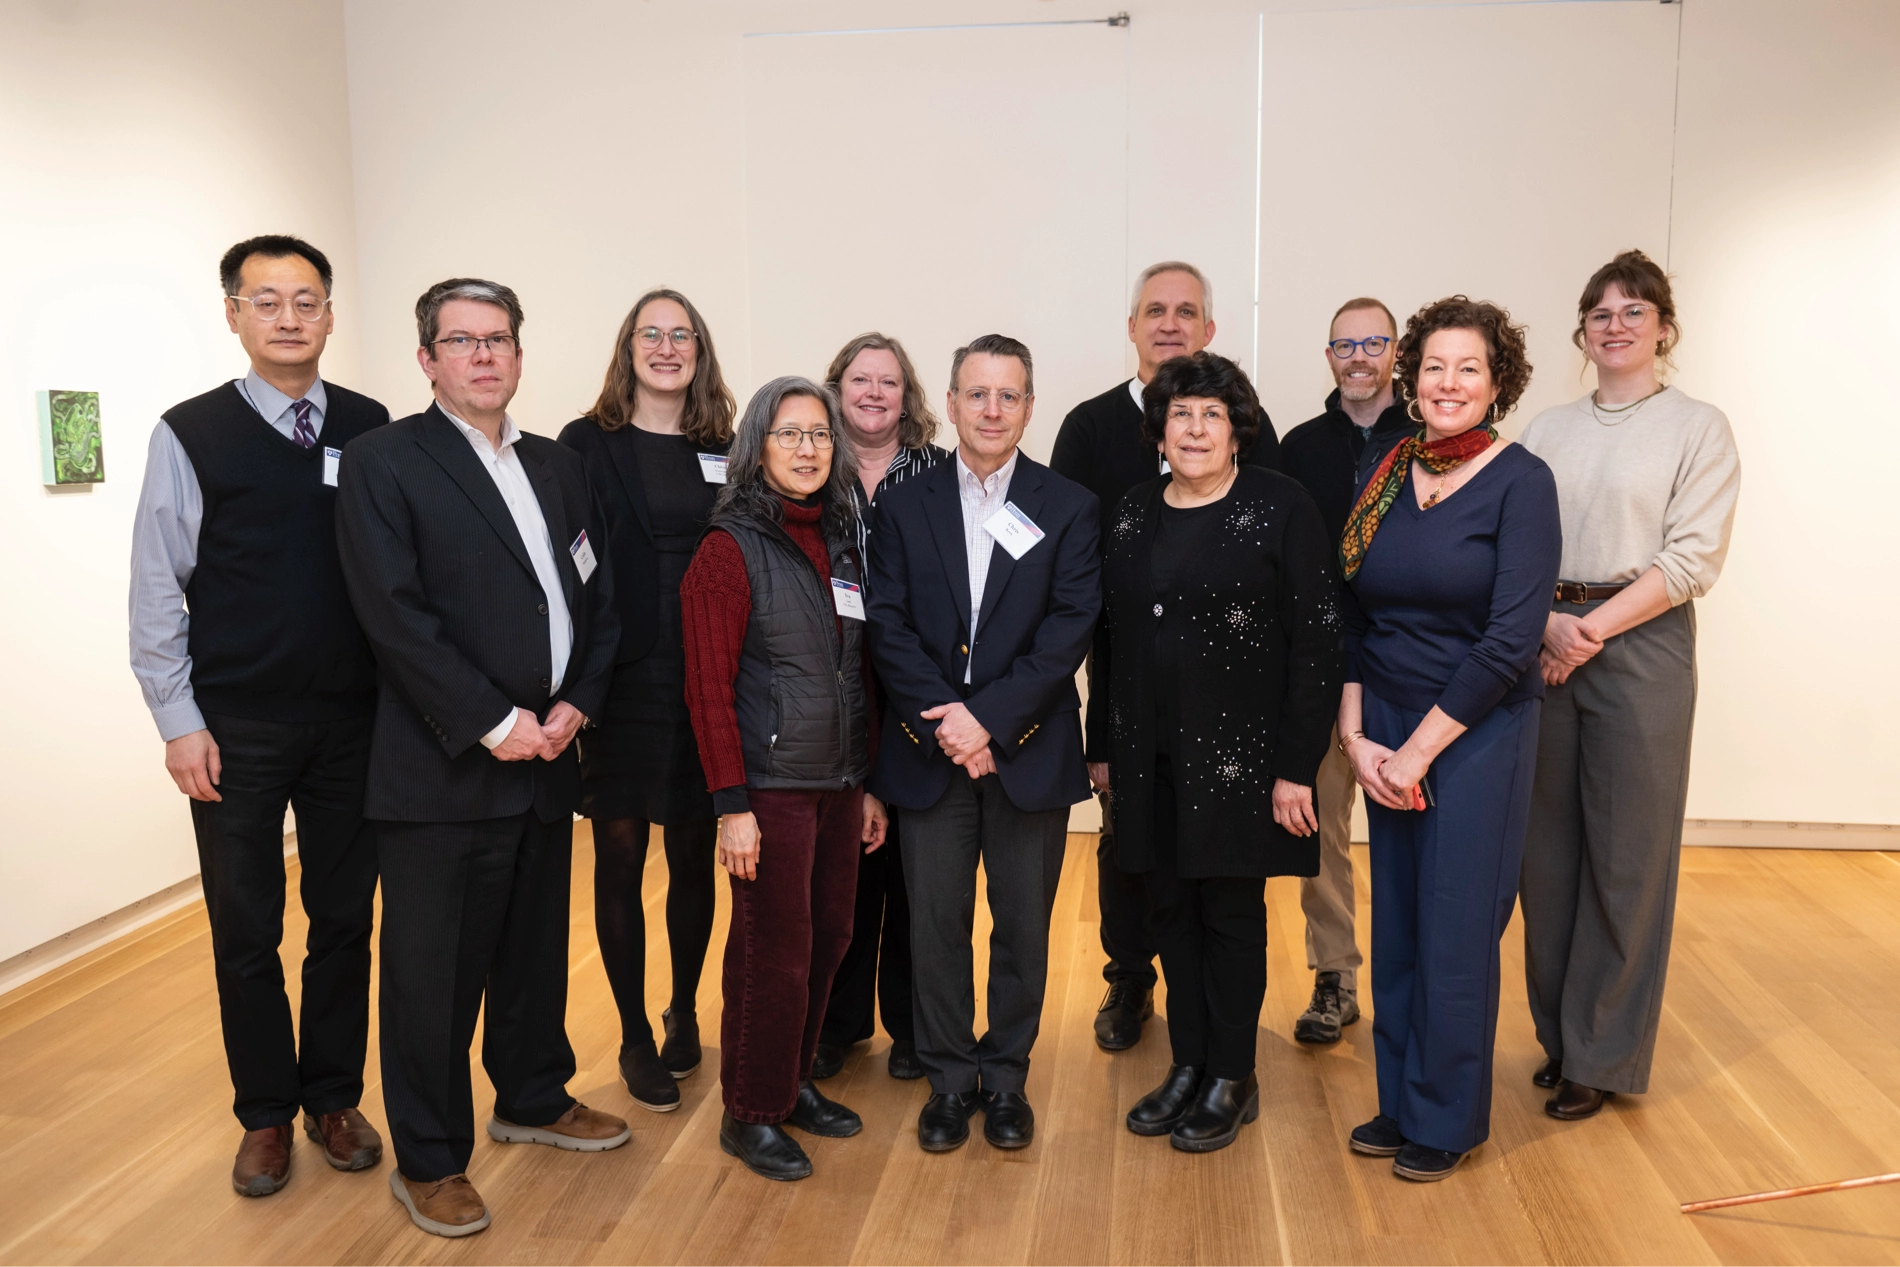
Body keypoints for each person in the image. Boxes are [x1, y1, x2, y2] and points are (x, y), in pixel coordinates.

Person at [335, 278, 629, 1237]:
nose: (484, 355)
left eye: (498, 338)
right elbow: (393, 615)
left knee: (534, 953)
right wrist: (497, 720)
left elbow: (597, 595)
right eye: (461, 340)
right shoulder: (385, 461)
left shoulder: (556, 464)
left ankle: (533, 1094)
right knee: (432, 978)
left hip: (549, 755)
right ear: (427, 359)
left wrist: (579, 700)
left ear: (519, 353)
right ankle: (429, 1159)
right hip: (444, 767)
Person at [129, 235, 390, 1198]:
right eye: (267, 300)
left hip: (353, 721)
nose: (289, 317)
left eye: (306, 300)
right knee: (246, 927)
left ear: (330, 314)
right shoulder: (190, 432)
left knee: (343, 919)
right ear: (234, 314)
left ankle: (333, 1097)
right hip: (234, 728)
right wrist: (177, 719)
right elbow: (157, 586)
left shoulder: (369, 426)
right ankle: (267, 1114)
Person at [1337, 297, 1561, 1182]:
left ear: (1498, 383)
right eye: (1434, 366)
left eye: (1469, 368)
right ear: (1412, 377)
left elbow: (1511, 641)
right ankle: (1401, 1100)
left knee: (1456, 928)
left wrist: (1417, 751)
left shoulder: (1523, 482)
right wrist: (1356, 735)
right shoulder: (1388, 467)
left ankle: (1447, 1115)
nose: (1448, 382)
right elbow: (1351, 606)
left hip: (1476, 733)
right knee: (1397, 924)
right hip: (1385, 725)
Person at [1098, 352, 1343, 1152]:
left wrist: (1296, 767)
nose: (1196, 429)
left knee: (1230, 916)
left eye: (1213, 415)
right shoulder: (1133, 511)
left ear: (1238, 431)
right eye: (1181, 414)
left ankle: (1233, 1075)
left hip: (1244, 762)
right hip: (1149, 757)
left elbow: (1318, 642)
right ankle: (1189, 1062)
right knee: (1168, 909)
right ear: (1159, 430)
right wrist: (1102, 745)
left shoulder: (1280, 505)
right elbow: (1109, 636)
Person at [1518, 250, 1741, 1122]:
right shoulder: (1546, 431)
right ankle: (1560, 1036)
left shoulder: (1699, 427)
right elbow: (1513, 543)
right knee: (1546, 858)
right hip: (1545, 636)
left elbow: (1691, 558)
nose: (1616, 324)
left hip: (1641, 642)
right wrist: (1549, 624)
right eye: (1600, 312)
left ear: (1664, 327)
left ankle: (1601, 1055)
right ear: (1582, 332)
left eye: (1634, 310)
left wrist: (1588, 631)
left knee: (1627, 859)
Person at [866, 334, 1100, 1153]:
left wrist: (990, 721)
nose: (992, 410)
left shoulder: (1068, 504)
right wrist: (950, 723)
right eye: (977, 393)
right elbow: (886, 625)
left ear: (1029, 406)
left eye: (1008, 395)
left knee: (1022, 927)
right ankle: (947, 1079)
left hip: (1027, 753)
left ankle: (1005, 1078)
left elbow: (1068, 628)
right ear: (951, 403)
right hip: (931, 753)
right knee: (935, 925)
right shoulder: (902, 504)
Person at [1051, 260, 1279, 1054]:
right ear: (1132, 327)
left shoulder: (1249, 424)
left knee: (1218, 877)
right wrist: (1098, 731)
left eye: (1187, 311)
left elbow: (1277, 561)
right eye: (1156, 310)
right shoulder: (1088, 428)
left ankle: (1220, 1040)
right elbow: (1071, 572)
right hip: (1128, 684)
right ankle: (1129, 976)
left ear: (1210, 329)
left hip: (1226, 700)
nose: (1171, 323)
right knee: (1128, 844)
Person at [679, 376, 887, 1182]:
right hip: (768, 786)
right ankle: (750, 1109)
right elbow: (707, 688)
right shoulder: (726, 549)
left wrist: (865, 780)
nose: (808, 449)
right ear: (756, 445)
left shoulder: (839, 539)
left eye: (820, 435)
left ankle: (793, 1081)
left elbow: (858, 670)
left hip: (839, 781)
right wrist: (732, 805)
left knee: (829, 935)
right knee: (772, 949)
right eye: (790, 433)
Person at [557, 289, 736, 1111]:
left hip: (706, 673)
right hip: (621, 677)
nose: (666, 347)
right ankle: (632, 1032)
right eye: (650, 334)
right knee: (622, 853)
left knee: (696, 851)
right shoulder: (585, 442)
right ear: (628, 348)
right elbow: (569, 559)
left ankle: (683, 1009)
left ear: (700, 350)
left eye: (681, 334)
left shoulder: (726, 447)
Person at [810, 333, 948, 1084]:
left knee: (913, 864)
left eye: (888, 382)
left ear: (908, 395)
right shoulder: (810, 467)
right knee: (847, 859)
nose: (873, 393)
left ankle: (913, 1022)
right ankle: (838, 1021)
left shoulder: (937, 472)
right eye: (859, 380)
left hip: (915, 678)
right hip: (833, 680)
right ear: (836, 389)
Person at [1276, 298, 1411, 1046]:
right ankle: (1336, 975)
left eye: (1373, 342)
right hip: (1324, 663)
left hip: (1408, 664)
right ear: (1328, 356)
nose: (1359, 356)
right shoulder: (1298, 448)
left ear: (1396, 352)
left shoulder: (1429, 440)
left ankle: (1413, 976)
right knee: (1323, 827)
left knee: (1413, 826)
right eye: (1344, 345)